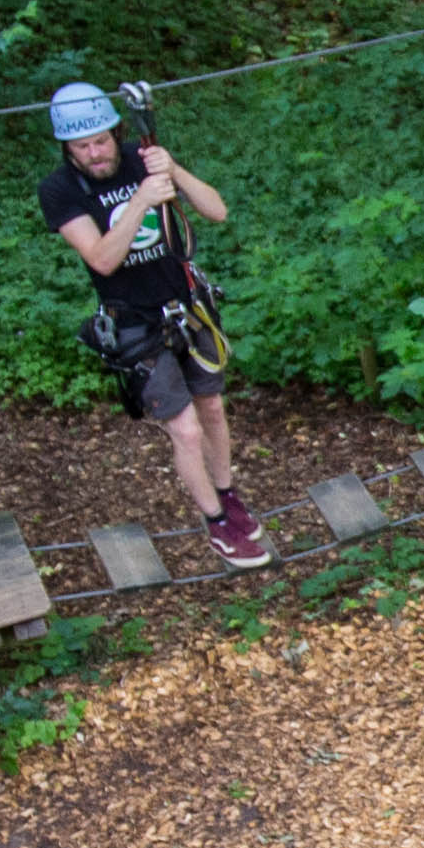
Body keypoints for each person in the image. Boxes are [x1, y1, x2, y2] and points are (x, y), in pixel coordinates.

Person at [39, 80, 265, 571]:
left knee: (213, 409)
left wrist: (172, 169)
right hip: (135, 324)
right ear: (66, 147)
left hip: (186, 304)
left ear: (113, 130)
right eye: (83, 146)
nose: (96, 153)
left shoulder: (140, 154)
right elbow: (102, 259)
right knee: (183, 431)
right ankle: (216, 525)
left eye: (101, 140)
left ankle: (228, 495)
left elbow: (217, 211)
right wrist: (141, 199)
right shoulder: (60, 191)